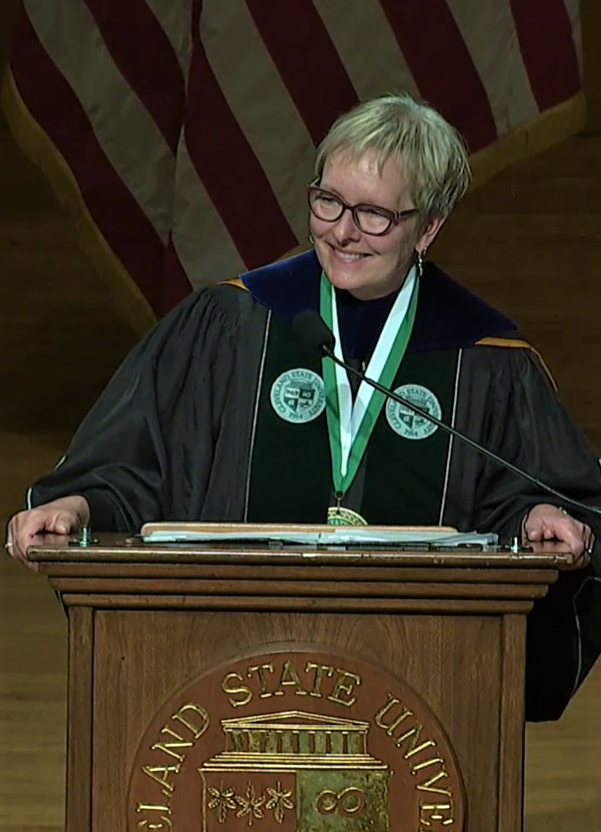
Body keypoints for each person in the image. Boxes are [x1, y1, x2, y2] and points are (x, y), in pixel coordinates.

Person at [5, 93, 601, 719]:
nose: (341, 231)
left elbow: (534, 493)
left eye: (373, 214)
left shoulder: (486, 357)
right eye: (329, 201)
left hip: (421, 688)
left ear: (428, 227)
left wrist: (537, 514)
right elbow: (143, 457)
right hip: (226, 676)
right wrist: (83, 502)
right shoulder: (234, 323)